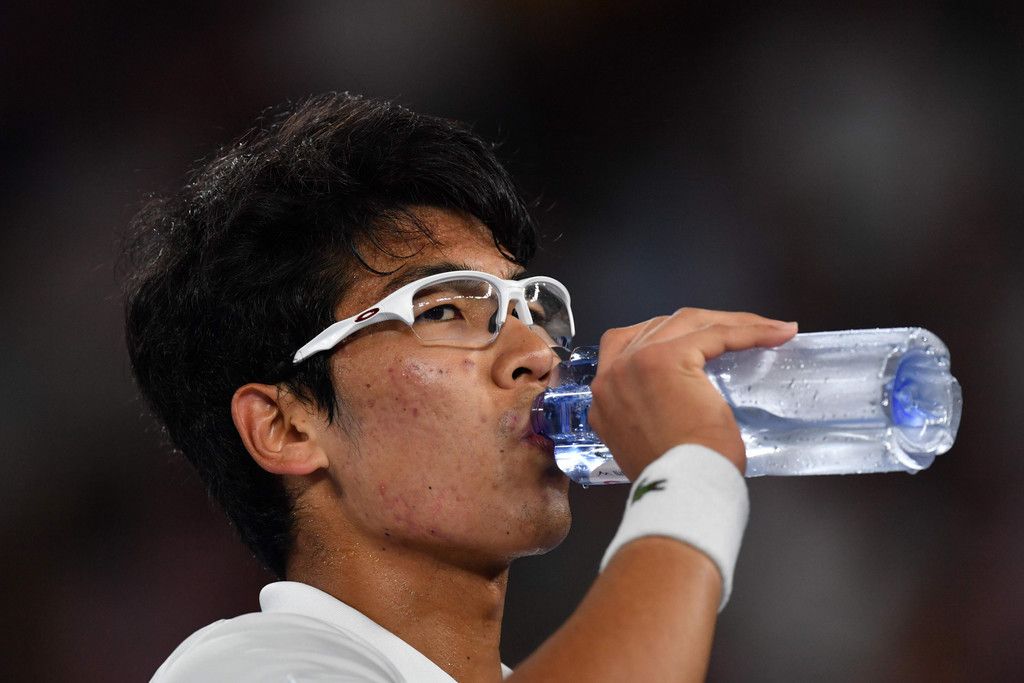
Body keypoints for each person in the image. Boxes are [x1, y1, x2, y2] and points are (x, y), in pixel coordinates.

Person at [124, 92, 797, 682]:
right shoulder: (242, 668)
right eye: (444, 310)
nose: (537, 352)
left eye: (529, 309)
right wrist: (690, 479)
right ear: (287, 426)